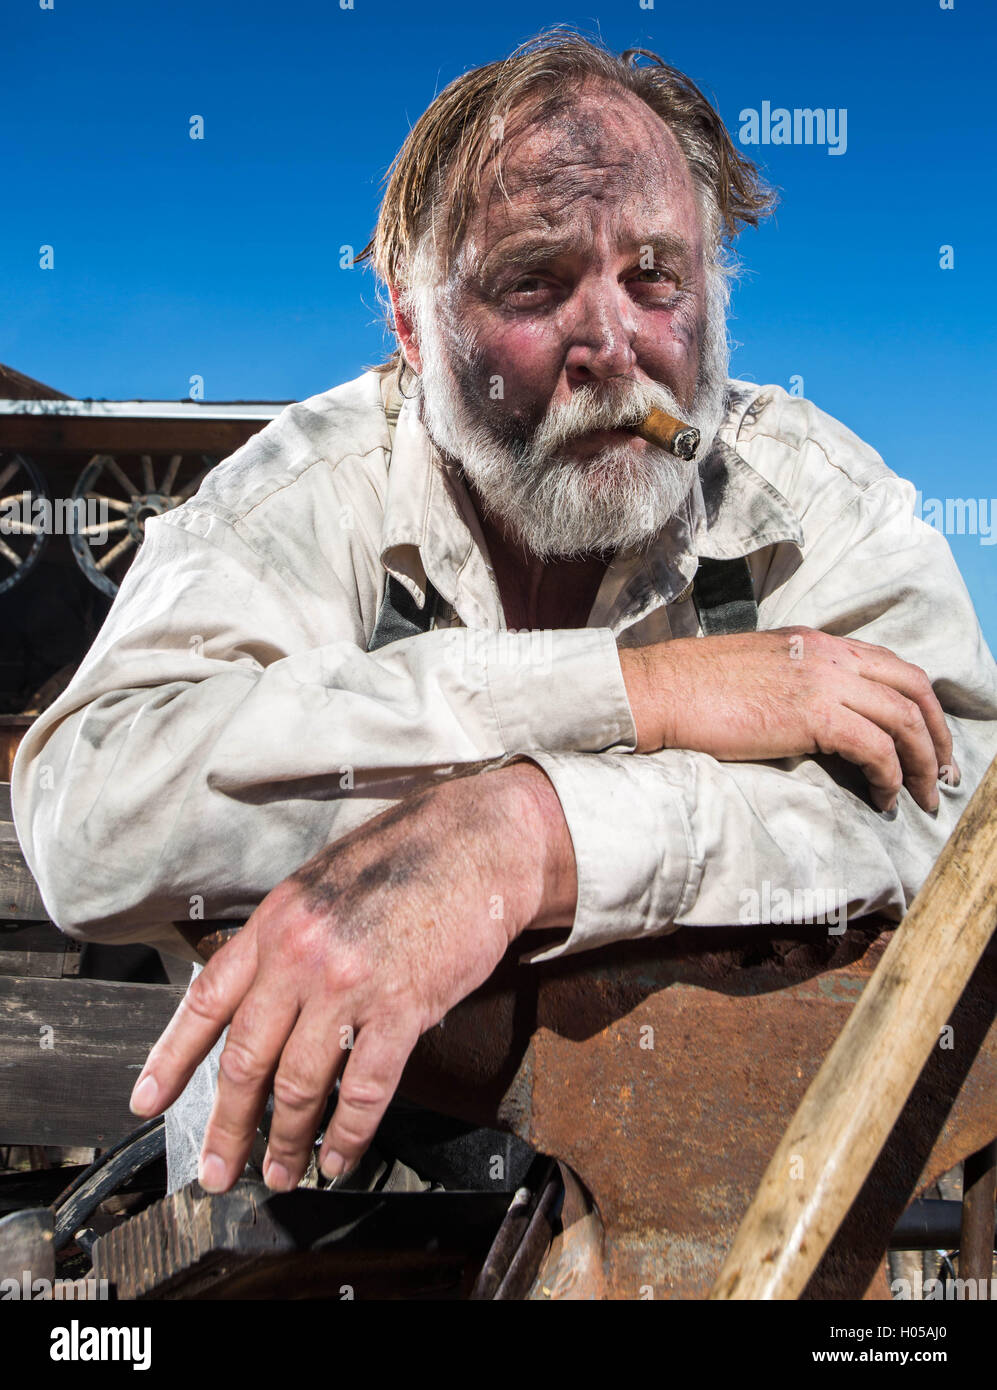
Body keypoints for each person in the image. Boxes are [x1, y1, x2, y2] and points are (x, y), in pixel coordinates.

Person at [12, 30, 997, 1201]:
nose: (611, 349)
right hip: (331, 1203)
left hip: (744, 1186)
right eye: (533, 282)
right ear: (412, 327)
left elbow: (961, 813)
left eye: (655, 278)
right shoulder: (305, 487)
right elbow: (94, 818)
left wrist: (528, 833)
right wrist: (640, 695)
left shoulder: (807, 495)